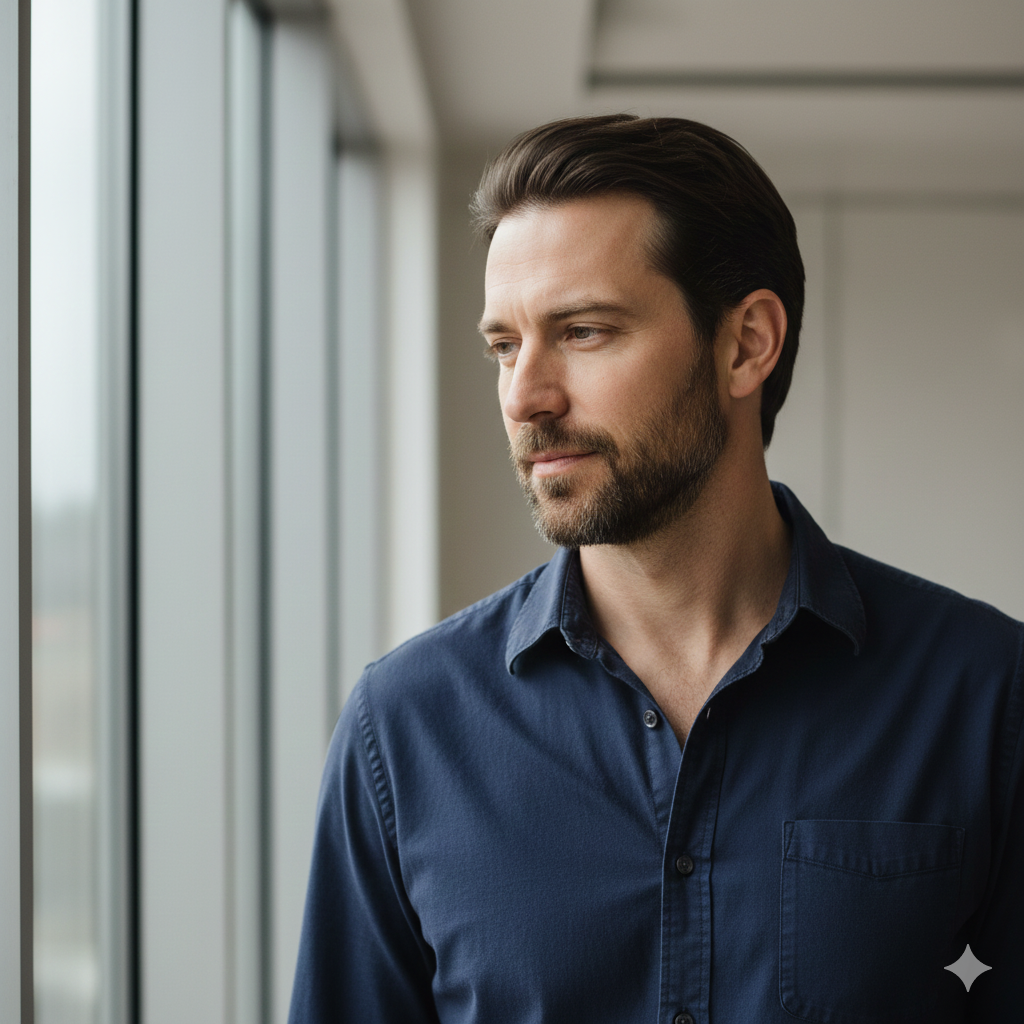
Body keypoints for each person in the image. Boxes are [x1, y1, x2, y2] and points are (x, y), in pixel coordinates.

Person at [288, 115, 1023, 1023]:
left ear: (747, 342)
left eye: (584, 331)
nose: (525, 398)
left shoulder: (985, 692)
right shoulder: (404, 729)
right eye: (504, 347)